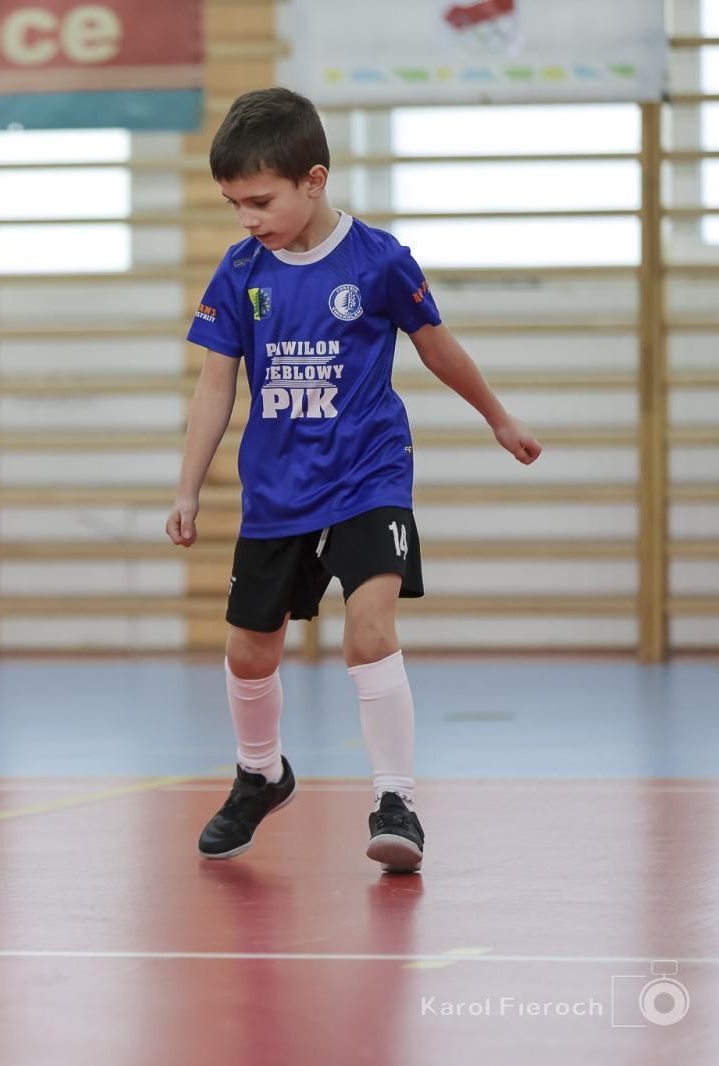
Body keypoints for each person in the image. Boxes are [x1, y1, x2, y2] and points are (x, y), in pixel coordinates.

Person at [166, 87, 542, 873]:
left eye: (260, 201)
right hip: (277, 488)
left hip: (369, 474)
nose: (247, 218)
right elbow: (214, 387)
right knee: (248, 654)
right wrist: (188, 485)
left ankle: (396, 800)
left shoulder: (378, 262)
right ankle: (260, 775)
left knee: (368, 631)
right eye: (233, 203)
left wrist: (497, 417)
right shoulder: (241, 272)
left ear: (314, 179)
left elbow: (437, 346)